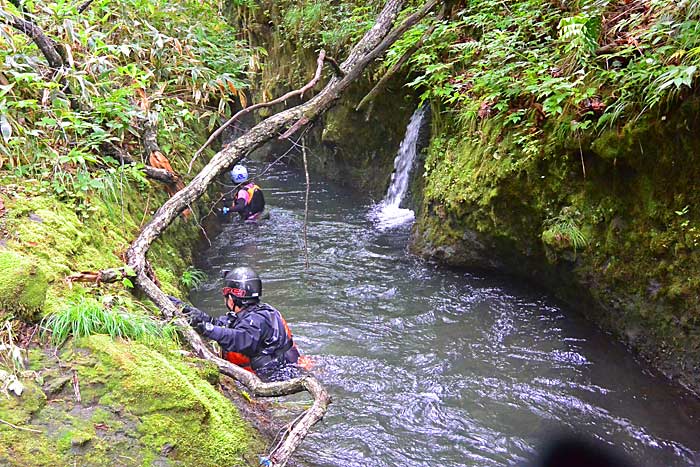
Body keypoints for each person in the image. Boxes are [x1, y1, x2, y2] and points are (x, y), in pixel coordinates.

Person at [169, 266, 301, 381]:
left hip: (275, 377)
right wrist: (184, 308)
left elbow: (239, 338)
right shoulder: (263, 312)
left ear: (231, 299)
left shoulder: (255, 321)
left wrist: (206, 329)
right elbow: (219, 324)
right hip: (290, 368)